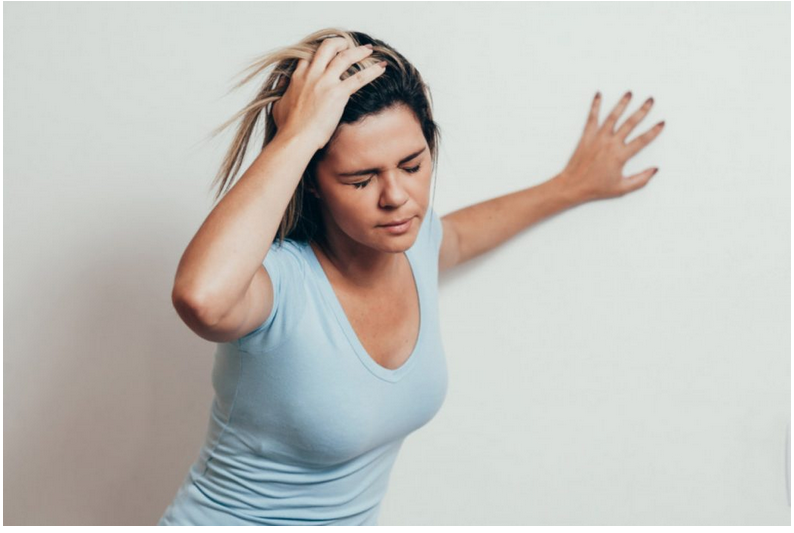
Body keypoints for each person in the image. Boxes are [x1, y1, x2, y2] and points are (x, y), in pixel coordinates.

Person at [157, 27, 664, 526]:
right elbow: (202, 299)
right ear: (311, 181)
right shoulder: (280, 283)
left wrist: (571, 185)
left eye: (412, 165)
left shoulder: (416, 244)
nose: (397, 197)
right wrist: (298, 135)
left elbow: (459, 235)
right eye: (361, 179)